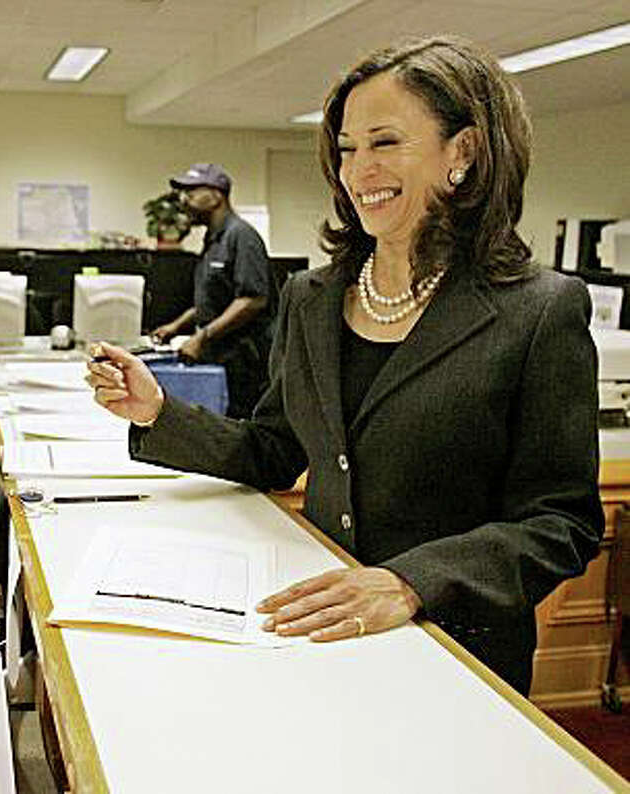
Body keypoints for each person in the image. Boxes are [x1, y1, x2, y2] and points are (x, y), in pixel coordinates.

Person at [87, 36, 602, 695]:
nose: (359, 171)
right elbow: (273, 450)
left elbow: (561, 522)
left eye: (385, 143)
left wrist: (413, 582)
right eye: (348, 147)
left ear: (463, 154)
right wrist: (158, 412)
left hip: (454, 654)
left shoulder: (538, 310)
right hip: (318, 629)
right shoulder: (313, 297)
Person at [150, 162, 276, 418]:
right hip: (221, 357)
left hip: (245, 362)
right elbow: (212, 300)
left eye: (193, 192)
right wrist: (175, 326)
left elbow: (252, 300)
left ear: (217, 195)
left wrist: (201, 337)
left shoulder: (241, 236)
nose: (186, 200)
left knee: (240, 427)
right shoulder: (214, 239)